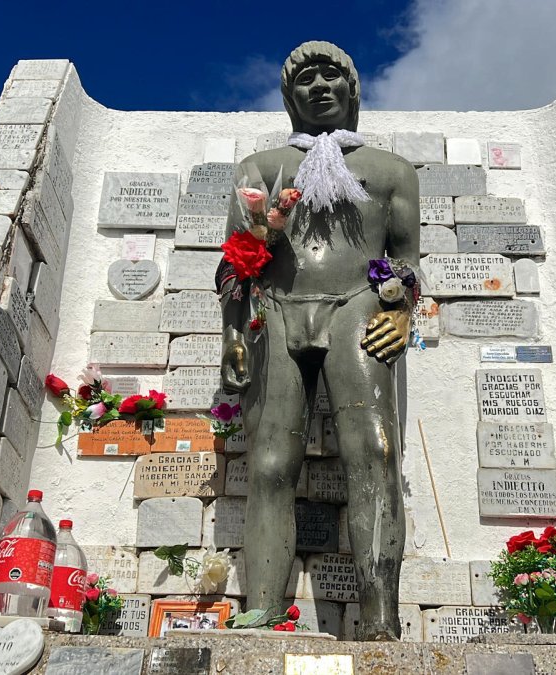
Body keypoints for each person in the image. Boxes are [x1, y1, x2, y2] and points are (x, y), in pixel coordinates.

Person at [218, 41, 420, 640]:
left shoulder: (391, 171)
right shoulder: (258, 166)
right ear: (289, 96)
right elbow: (236, 261)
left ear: (353, 90)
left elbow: (405, 260)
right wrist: (233, 331)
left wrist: (403, 312)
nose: (320, 86)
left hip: (359, 305)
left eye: (333, 75)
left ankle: (381, 618)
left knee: (376, 453)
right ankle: (262, 611)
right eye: (305, 78)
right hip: (278, 309)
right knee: (270, 463)